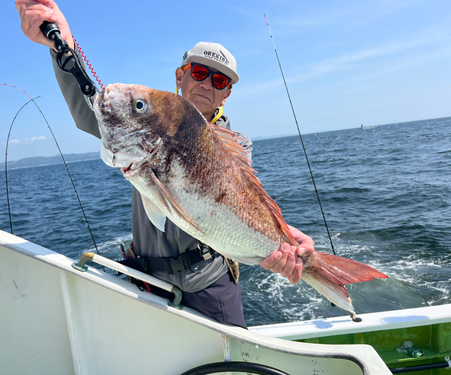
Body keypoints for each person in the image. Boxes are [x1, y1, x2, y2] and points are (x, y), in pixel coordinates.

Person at [16, 0, 315, 328]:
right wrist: (62, 44)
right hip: (148, 283)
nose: (207, 84)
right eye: (200, 73)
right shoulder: (146, 124)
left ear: (226, 94)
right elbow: (91, 109)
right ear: (180, 76)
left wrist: (285, 239)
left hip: (211, 283)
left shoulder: (234, 146)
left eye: (220, 81)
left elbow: (243, 208)